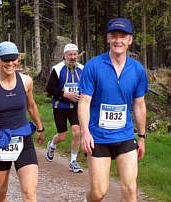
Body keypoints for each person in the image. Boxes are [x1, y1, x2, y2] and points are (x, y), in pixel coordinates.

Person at [78, 18, 149, 202]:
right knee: (98, 193)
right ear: (108, 39)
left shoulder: (137, 70)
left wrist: (141, 137)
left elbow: (139, 104)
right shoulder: (93, 66)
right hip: (98, 137)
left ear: (130, 40)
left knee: (131, 188)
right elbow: (84, 102)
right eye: (114, 36)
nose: (118, 40)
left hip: (125, 136)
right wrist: (85, 132)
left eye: (123, 36)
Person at [0, 41, 44, 202]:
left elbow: (31, 106)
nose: (10, 63)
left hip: (23, 139)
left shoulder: (26, 81)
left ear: (18, 59)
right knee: (0, 191)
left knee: (29, 193)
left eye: (14, 59)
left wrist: (40, 128)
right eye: (6, 59)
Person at [45, 43, 84, 173]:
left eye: (74, 54)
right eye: (70, 55)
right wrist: (65, 94)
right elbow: (49, 89)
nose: (73, 57)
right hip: (60, 106)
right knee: (62, 136)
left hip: (75, 106)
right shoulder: (57, 69)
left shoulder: (82, 69)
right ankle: (52, 144)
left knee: (76, 131)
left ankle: (73, 161)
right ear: (64, 56)